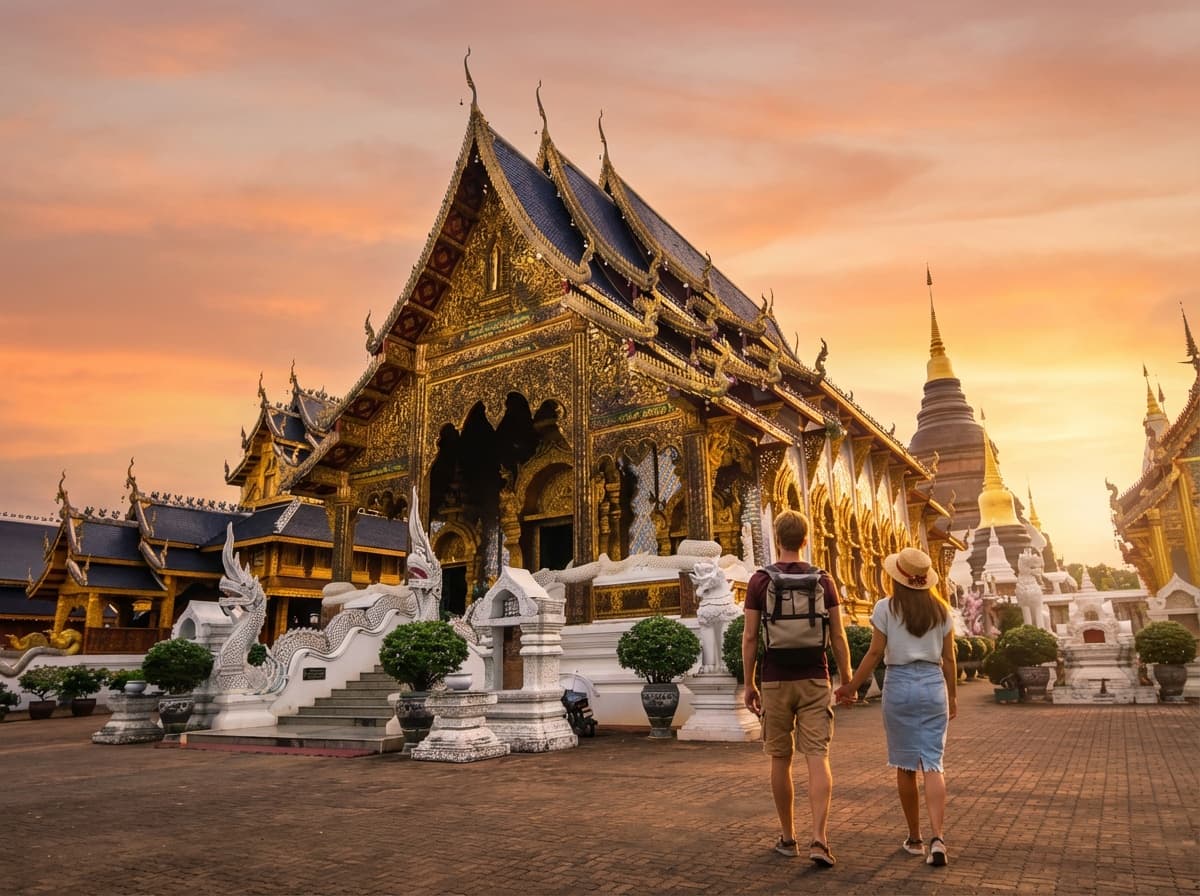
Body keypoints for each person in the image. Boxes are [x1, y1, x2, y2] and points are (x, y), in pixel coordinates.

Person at [742, 510, 853, 867]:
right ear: (806, 539)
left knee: (780, 757)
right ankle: (820, 839)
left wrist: (749, 683)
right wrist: (847, 679)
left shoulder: (760, 581)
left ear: (777, 539)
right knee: (817, 756)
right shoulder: (823, 580)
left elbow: (748, 638)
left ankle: (788, 837)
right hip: (815, 677)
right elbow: (837, 635)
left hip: (775, 678)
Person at [834, 546, 957, 867]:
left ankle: (915, 838)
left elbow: (874, 654)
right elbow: (949, 660)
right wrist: (953, 697)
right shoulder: (942, 611)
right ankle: (939, 837)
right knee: (933, 763)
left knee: (906, 766)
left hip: (899, 684)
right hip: (933, 686)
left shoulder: (885, 608)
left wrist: (850, 687)